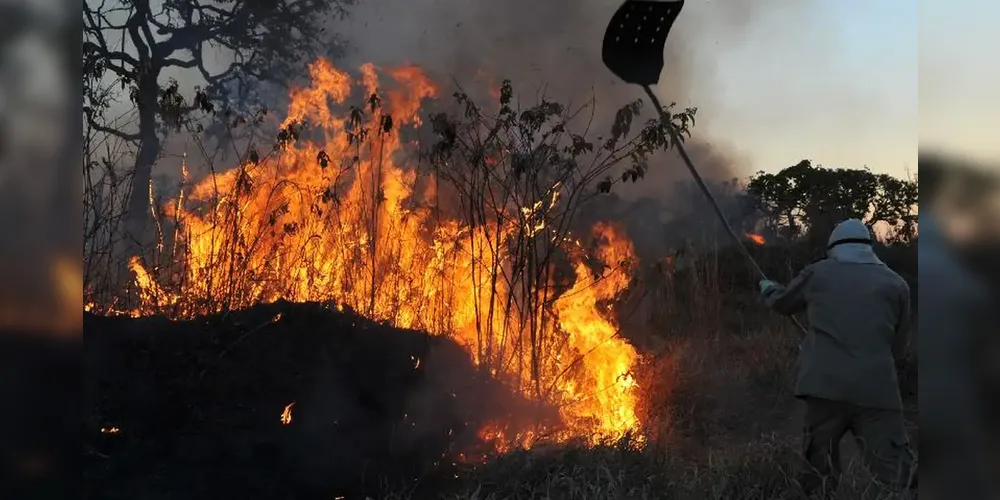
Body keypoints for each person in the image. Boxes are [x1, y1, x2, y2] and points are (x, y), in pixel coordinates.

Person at [759, 218, 914, 497]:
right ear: (869, 247)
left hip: (824, 389)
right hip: (877, 392)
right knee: (897, 474)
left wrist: (768, 289)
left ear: (833, 247)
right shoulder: (897, 284)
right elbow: (898, 348)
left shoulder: (818, 273)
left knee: (818, 472)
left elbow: (783, 303)